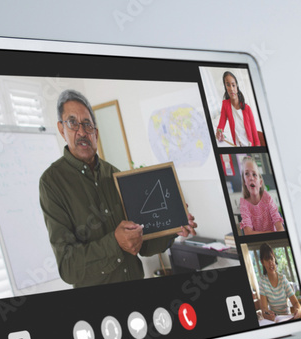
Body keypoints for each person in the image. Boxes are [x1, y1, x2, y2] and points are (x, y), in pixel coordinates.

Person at [39, 89, 196, 288]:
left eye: (87, 124)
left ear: (96, 131)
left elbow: (143, 244)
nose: (81, 132)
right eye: (72, 123)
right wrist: (114, 243)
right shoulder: (51, 183)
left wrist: (175, 228)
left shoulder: (115, 174)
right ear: (62, 129)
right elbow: (69, 267)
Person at [257, 243, 301, 321]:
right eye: (267, 259)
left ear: (274, 258)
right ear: (262, 262)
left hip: (288, 317)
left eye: (272, 258)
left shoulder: (283, 279)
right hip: (275, 319)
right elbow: (264, 310)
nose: (270, 263)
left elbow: (296, 304)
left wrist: (298, 311)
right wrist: (268, 315)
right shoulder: (262, 282)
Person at [238, 156, 283, 234]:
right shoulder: (244, 205)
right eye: (247, 174)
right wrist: (271, 232)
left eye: (254, 174)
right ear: (244, 182)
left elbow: (281, 229)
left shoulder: (267, 199)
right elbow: (248, 233)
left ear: (260, 182)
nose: (251, 178)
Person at [215, 71, 259, 147]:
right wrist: (219, 133)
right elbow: (220, 126)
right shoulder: (225, 105)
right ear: (225, 87)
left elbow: (255, 136)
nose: (231, 88)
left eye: (233, 85)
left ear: (237, 87)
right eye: (228, 85)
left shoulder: (247, 109)